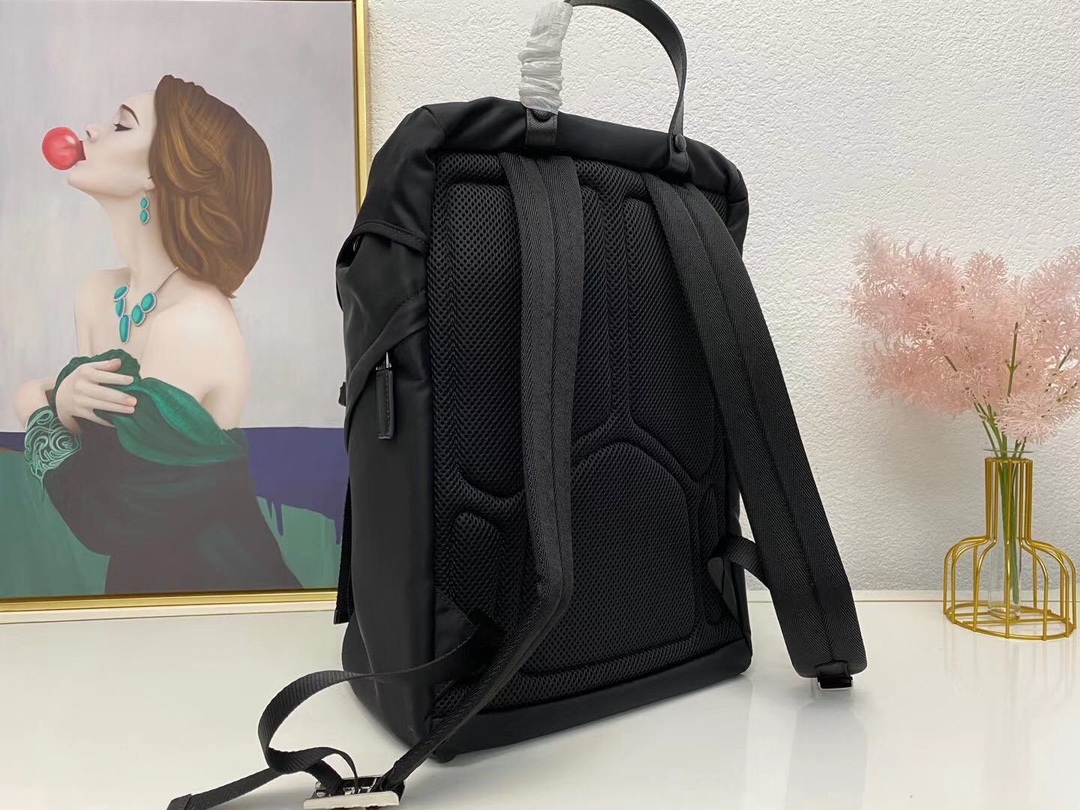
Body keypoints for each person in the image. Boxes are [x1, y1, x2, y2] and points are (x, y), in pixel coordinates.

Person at [11, 75, 300, 594]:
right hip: (137, 595)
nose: (90, 130)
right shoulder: (98, 295)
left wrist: (35, 403)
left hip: (224, 602)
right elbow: (96, 452)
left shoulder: (194, 322)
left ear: (158, 173)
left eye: (121, 125)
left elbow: (104, 515)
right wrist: (65, 405)